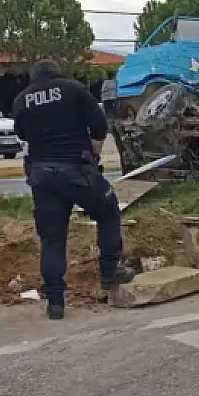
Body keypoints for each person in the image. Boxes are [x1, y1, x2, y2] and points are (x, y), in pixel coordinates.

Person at [12, 59, 135, 320]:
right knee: (109, 210)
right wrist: (95, 151)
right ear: (58, 71)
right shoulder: (74, 89)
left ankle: (55, 302)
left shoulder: (22, 99)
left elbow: (22, 135)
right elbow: (100, 126)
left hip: (42, 176)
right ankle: (110, 271)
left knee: (52, 238)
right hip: (76, 171)